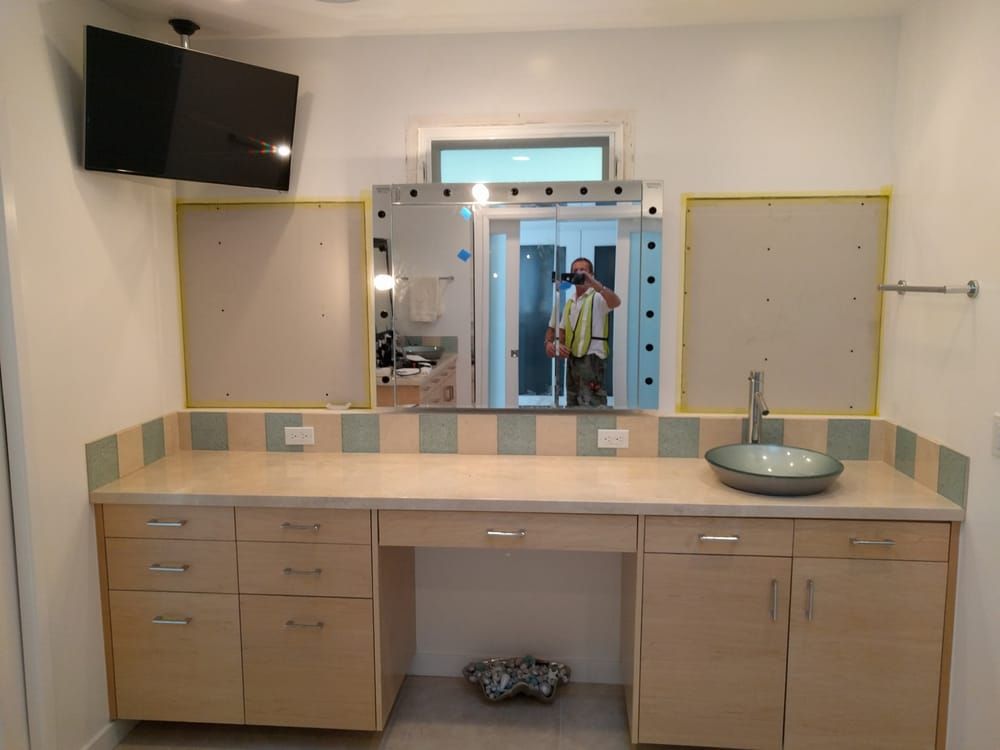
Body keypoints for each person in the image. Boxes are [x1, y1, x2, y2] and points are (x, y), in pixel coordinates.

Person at [544, 257, 621, 407]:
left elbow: (616, 302)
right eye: (575, 271)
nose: (578, 273)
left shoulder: (598, 298)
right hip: (572, 361)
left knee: (593, 407)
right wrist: (555, 345)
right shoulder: (570, 302)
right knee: (572, 406)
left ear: (591, 275)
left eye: (583, 270)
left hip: (592, 361)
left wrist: (597, 285)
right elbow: (562, 331)